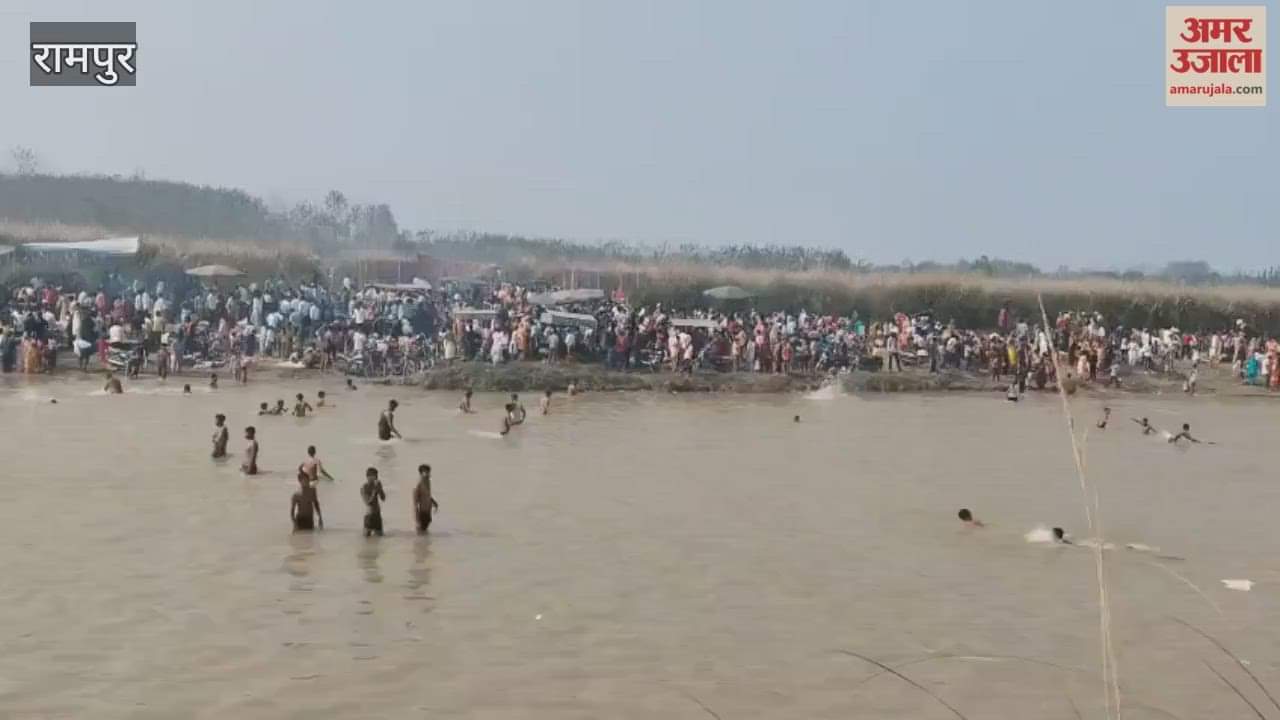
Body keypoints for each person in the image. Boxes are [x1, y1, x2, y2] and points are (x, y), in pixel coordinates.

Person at [413, 464, 440, 534]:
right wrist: (417, 516)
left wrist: (434, 502)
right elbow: (415, 501)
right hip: (422, 511)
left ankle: (424, 540)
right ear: (421, 473)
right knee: (422, 530)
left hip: (428, 510)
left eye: (428, 472)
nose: (427, 474)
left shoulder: (428, 482)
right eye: (425, 472)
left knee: (425, 531)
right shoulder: (419, 484)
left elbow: (427, 495)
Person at [361, 467, 386, 537]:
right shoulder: (364, 487)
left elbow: (383, 498)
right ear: (367, 476)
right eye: (371, 476)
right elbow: (367, 502)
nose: (373, 478)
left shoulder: (377, 485)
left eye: (375, 476)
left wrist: (380, 489)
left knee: (380, 537)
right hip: (369, 515)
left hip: (377, 514)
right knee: (366, 538)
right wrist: (374, 491)